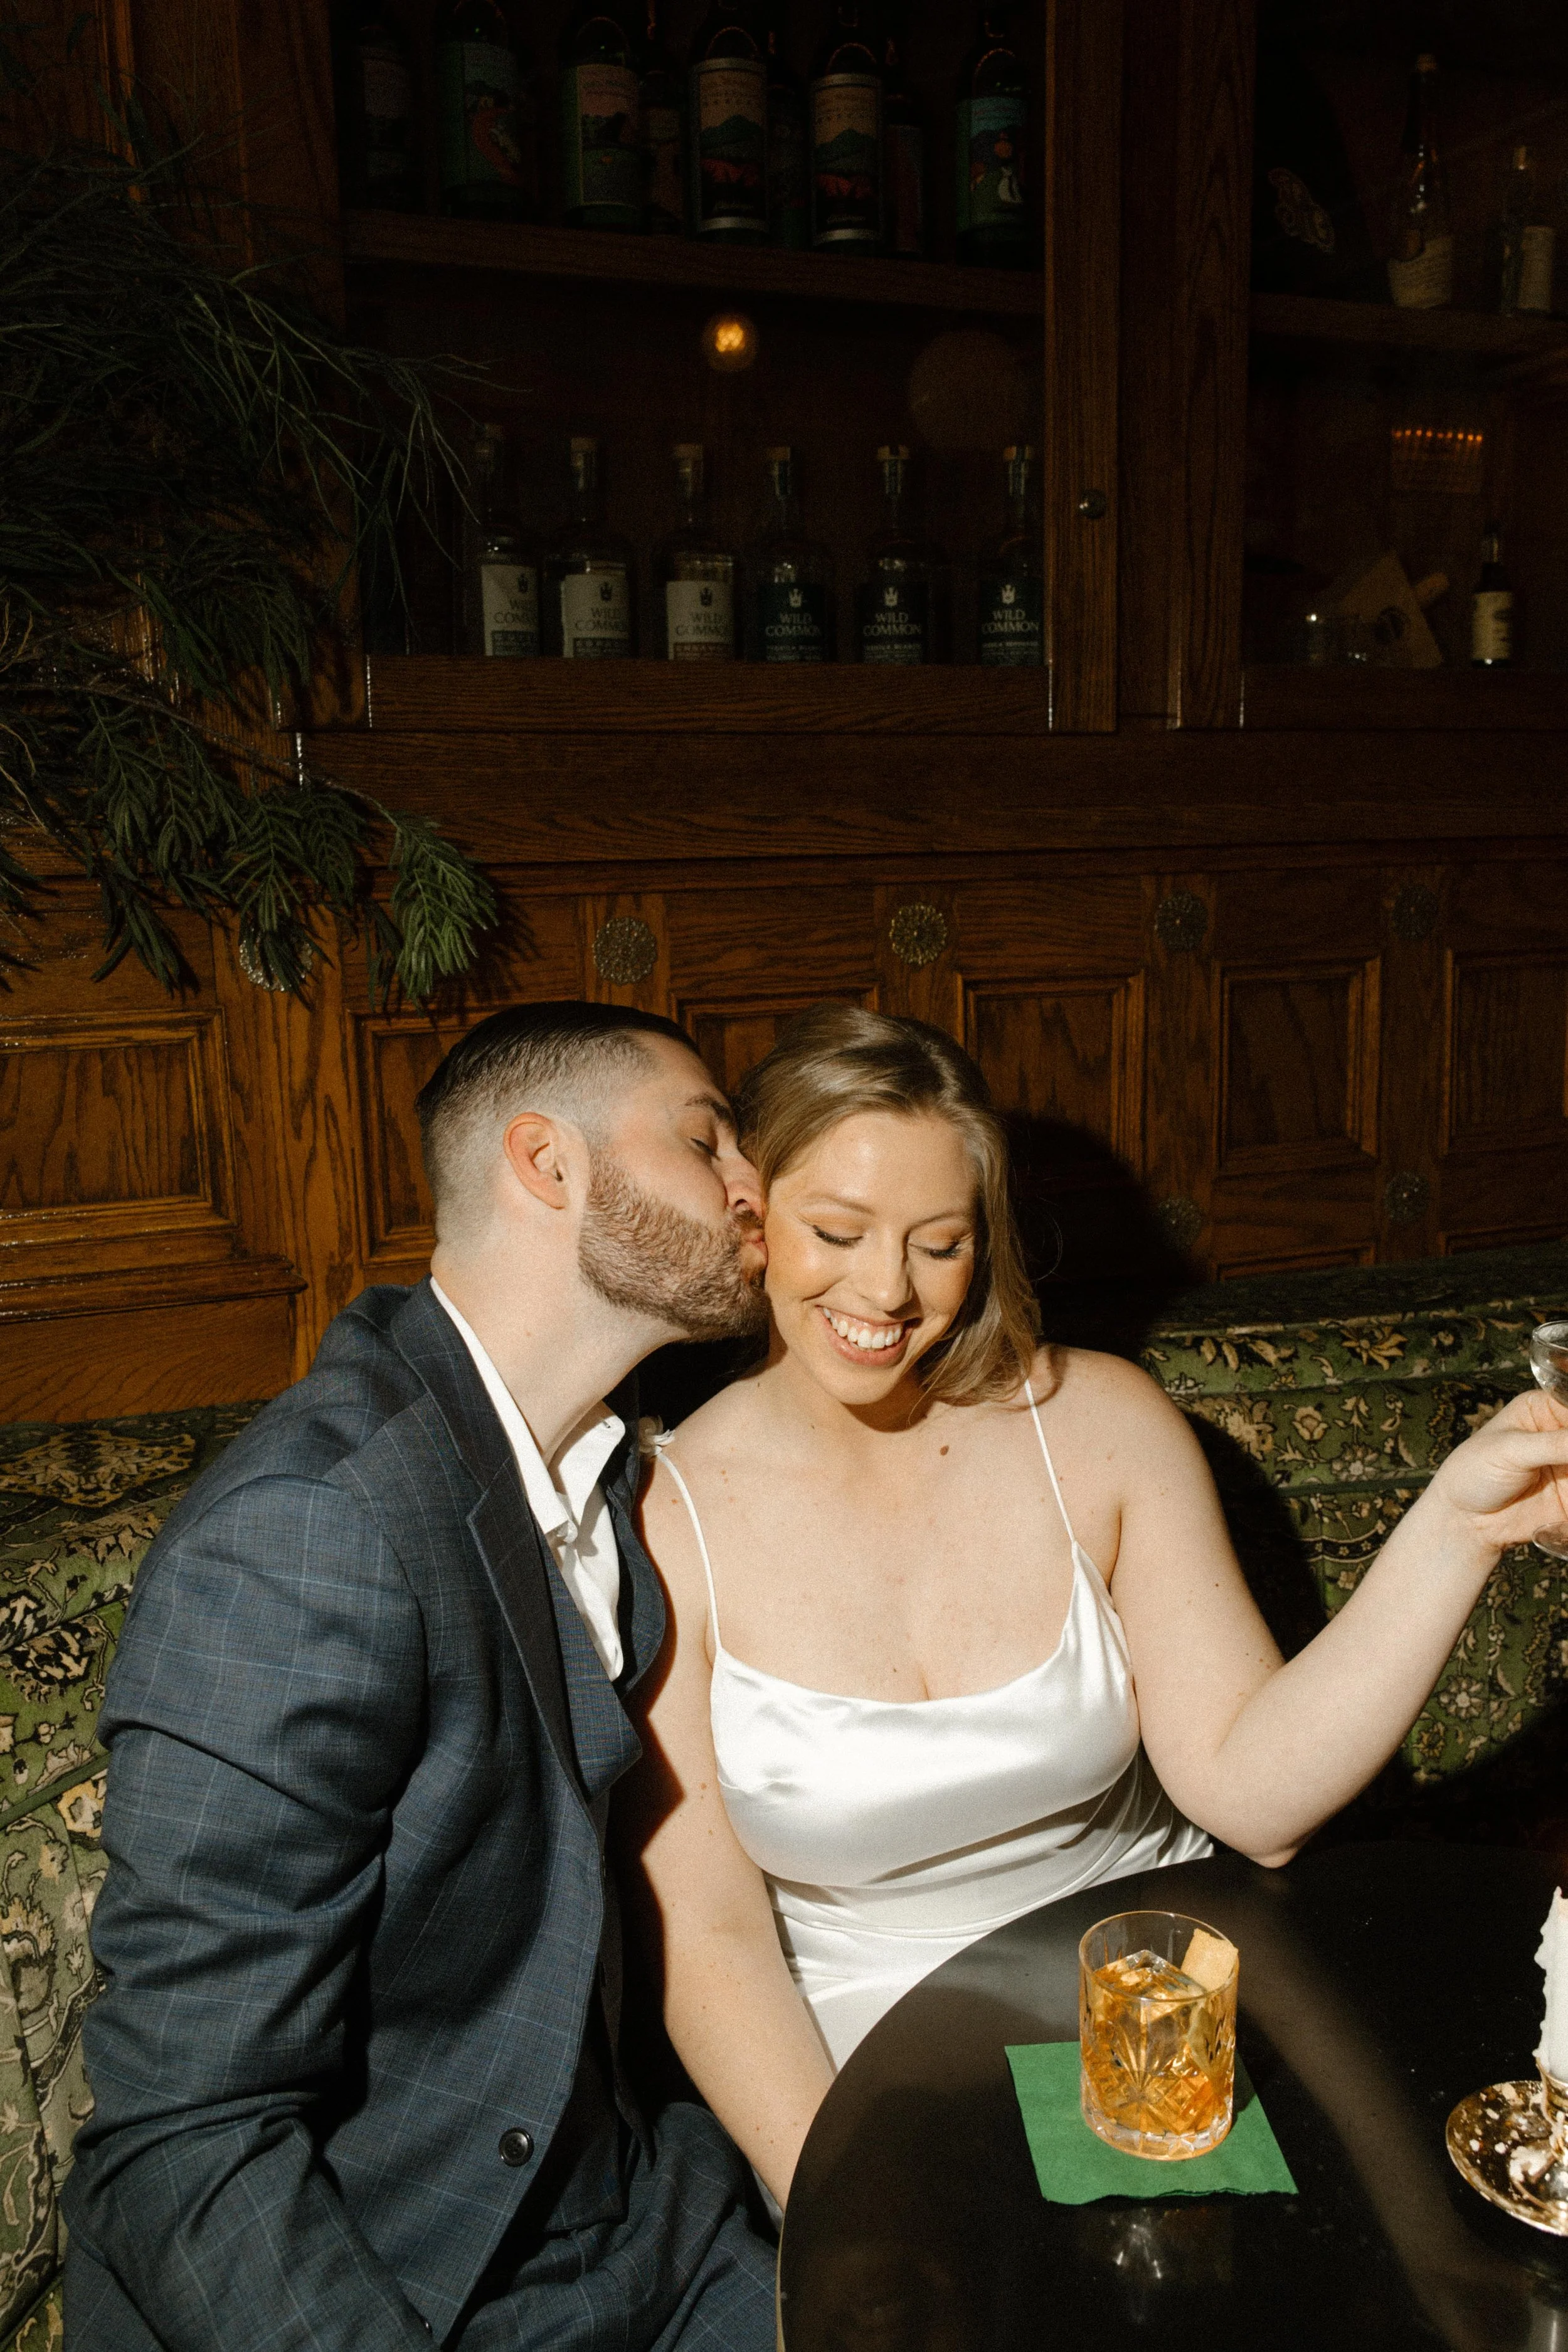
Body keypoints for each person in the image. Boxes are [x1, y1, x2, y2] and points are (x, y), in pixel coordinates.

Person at [630, 1002, 1568, 2213]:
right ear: (755, 1216)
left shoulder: (1104, 1421)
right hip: (863, 2086)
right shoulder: (664, 1512)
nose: (887, 1289)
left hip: (1165, 2028)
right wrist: (842, 2200)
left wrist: (1460, 1525)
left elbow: (1255, 1799)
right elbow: (711, 1950)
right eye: (837, 1229)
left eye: (940, 1241)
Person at [63, 1003, 780, 2352]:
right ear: (548, 1165)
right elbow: (186, 2139)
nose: (756, 1184)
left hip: (646, 2223)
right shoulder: (310, 1529)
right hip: (396, 2276)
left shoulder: (633, 1476)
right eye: (707, 1140)